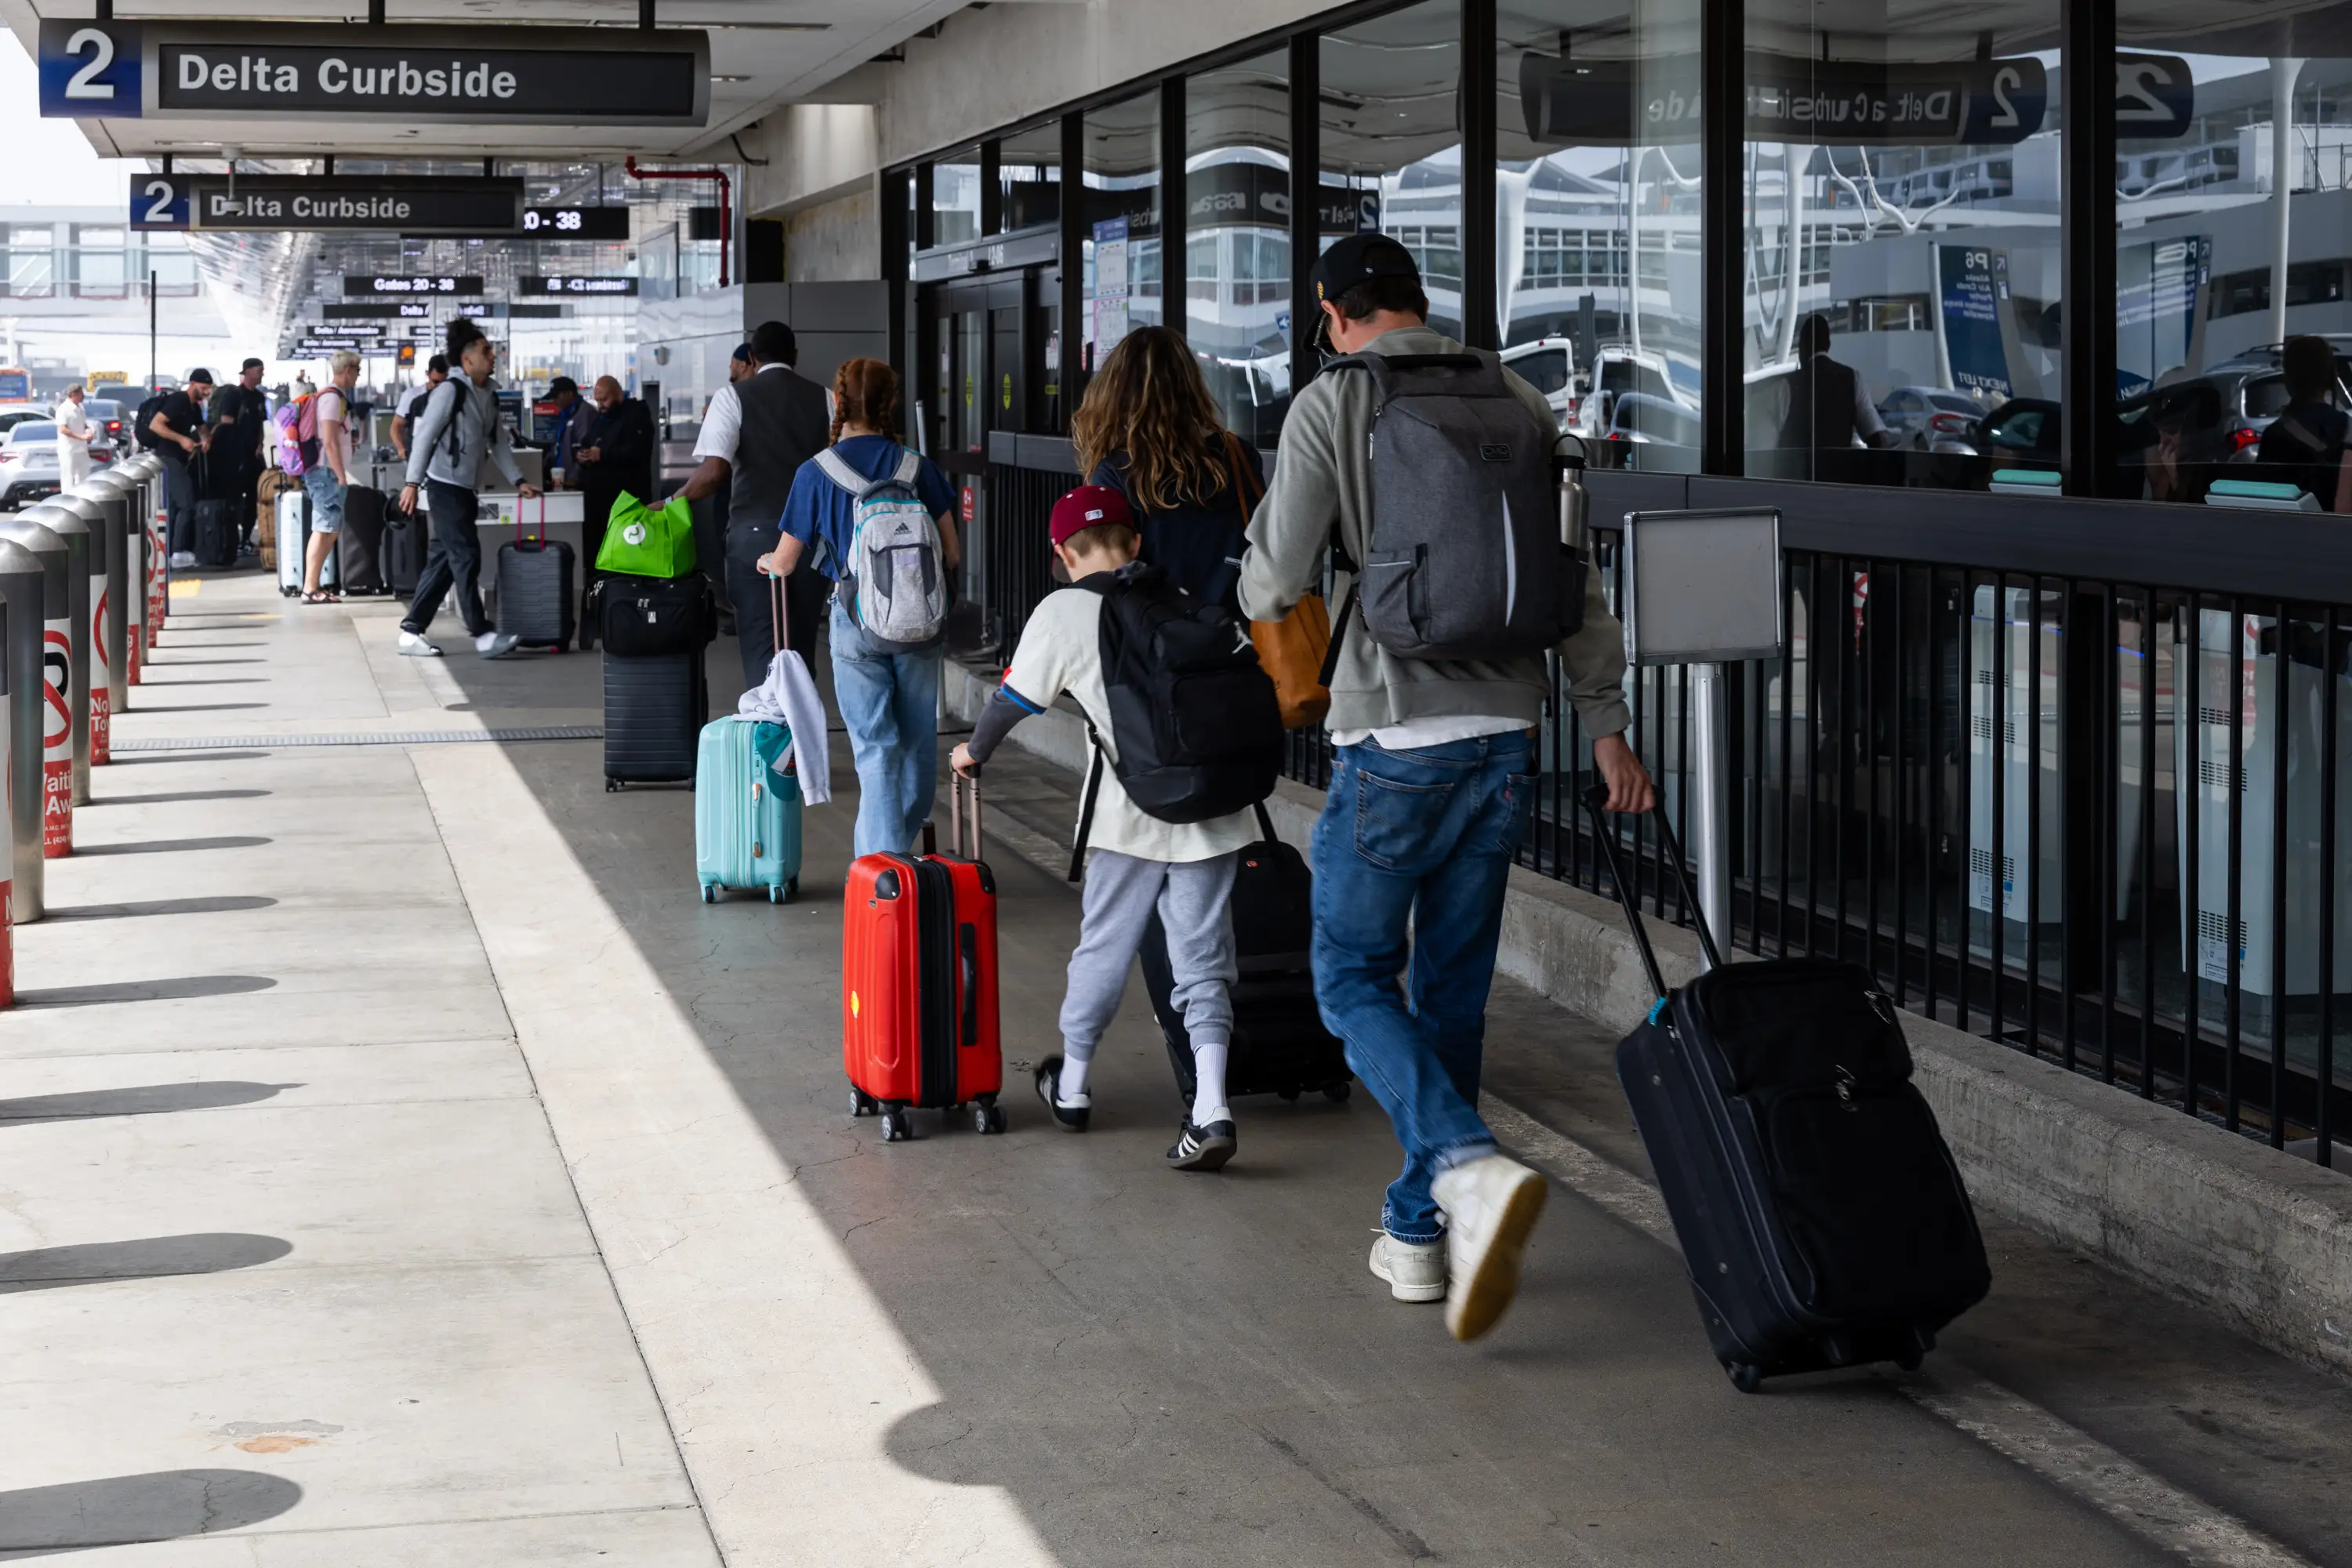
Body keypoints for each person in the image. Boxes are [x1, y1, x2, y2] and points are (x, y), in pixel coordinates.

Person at [1239, 234, 1655, 1342]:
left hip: (1397, 739)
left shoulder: (1336, 403)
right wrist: (1607, 727)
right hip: (1510, 736)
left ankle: (1466, 1163)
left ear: (1334, 315)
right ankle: (1422, 1238)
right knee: (1452, 991)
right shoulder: (1515, 393)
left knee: (1348, 978)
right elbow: (1578, 582)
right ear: (1421, 304)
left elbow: (1276, 576)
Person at [951, 485, 1248, 1171]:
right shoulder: (1179, 601)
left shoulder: (1064, 610)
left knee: (1104, 950)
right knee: (1202, 958)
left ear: (1061, 554)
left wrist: (972, 752)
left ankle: (1076, 1085)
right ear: (1136, 541)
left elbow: (1013, 700)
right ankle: (1210, 1106)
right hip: (1211, 810)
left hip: (1130, 817)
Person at [766, 357, 959, 856]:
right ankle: (898, 849)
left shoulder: (816, 473)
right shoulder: (920, 468)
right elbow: (952, 553)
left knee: (875, 749)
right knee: (917, 745)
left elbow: (786, 563)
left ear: (838, 402)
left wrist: (767, 559)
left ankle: (882, 874)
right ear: (890, 404)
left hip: (853, 623)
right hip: (919, 623)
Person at [681, 319, 832, 685]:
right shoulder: (827, 397)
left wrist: (671, 501)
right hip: (812, 541)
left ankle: (767, 734)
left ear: (751, 356)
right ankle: (801, 735)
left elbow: (714, 472)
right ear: (795, 356)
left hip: (754, 537)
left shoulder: (732, 397)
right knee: (800, 647)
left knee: (761, 645)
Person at [1073, 324, 1261, 612]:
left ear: (1115, 393)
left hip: (1159, 645)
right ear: (1191, 386)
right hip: (1240, 639)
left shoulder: (1115, 473)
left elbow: (1106, 584)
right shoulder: (1239, 455)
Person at [395, 318, 538, 659]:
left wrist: (518, 480)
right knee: (465, 555)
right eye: (486, 350)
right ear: (466, 359)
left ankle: (411, 631)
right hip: (445, 486)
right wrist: (412, 483)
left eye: (492, 350)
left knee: (444, 560)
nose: (493, 356)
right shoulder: (451, 390)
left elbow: (498, 443)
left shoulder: (488, 394)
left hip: (464, 488)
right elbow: (425, 436)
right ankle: (483, 634)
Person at [575, 375, 655, 626]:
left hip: (627, 502)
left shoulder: (637, 416)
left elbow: (637, 452)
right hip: (599, 503)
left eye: (605, 399)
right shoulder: (602, 420)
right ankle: (600, 611)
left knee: (627, 560)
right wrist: (585, 455)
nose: (601, 404)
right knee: (599, 559)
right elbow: (591, 442)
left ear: (618, 393)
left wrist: (604, 454)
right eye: (597, 400)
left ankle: (628, 612)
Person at [2254, 335, 2351, 511]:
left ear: (2288, 379)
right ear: (2330, 378)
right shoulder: (2349, 431)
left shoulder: (2276, 436)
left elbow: (2263, 506)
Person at [1774, 313, 1891, 458]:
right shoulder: (1853, 378)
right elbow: (1878, 438)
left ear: (1802, 346)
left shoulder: (1787, 385)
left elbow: (1769, 449)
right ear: (1828, 346)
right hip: (1838, 477)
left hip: (1798, 477)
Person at [299, 350, 361, 604]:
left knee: (330, 529)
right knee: (322, 528)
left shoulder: (337, 397)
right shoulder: (331, 399)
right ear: (347, 370)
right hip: (326, 473)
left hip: (328, 473)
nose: (358, 376)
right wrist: (341, 476)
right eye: (357, 371)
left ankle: (314, 585)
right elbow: (329, 441)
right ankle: (309, 588)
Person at [150, 368, 213, 567]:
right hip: (168, 458)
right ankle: (178, 552)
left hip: (180, 459)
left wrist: (206, 439)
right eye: (203, 388)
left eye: (209, 389)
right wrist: (182, 439)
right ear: (193, 384)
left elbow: (203, 429)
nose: (206, 393)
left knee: (174, 507)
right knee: (187, 503)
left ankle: (166, 554)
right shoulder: (178, 401)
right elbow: (156, 424)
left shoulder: (194, 406)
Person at [391, 355, 449, 461]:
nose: (440, 387)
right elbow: (396, 425)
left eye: (444, 383)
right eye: (436, 382)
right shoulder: (412, 396)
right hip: (417, 455)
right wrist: (401, 449)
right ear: (428, 374)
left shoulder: (452, 398)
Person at [543, 376, 593, 486]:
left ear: (569, 394)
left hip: (578, 484)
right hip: (562, 480)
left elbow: (585, 449)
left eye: (556, 397)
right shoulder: (566, 415)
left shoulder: (584, 413)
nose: (553, 401)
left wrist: (574, 478)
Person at [53, 383, 94, 488]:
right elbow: (63, 429)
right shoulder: (64, 409)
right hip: (69, 449)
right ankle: (68, 500)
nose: (83, 396)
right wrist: (82, 437)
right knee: (68, 477)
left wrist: (89, 432)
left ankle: (82, 498)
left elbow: (82, 424)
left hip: (81, 448)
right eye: (81, 394)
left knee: (84, 475)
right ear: (73, 394)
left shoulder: (80, 408)